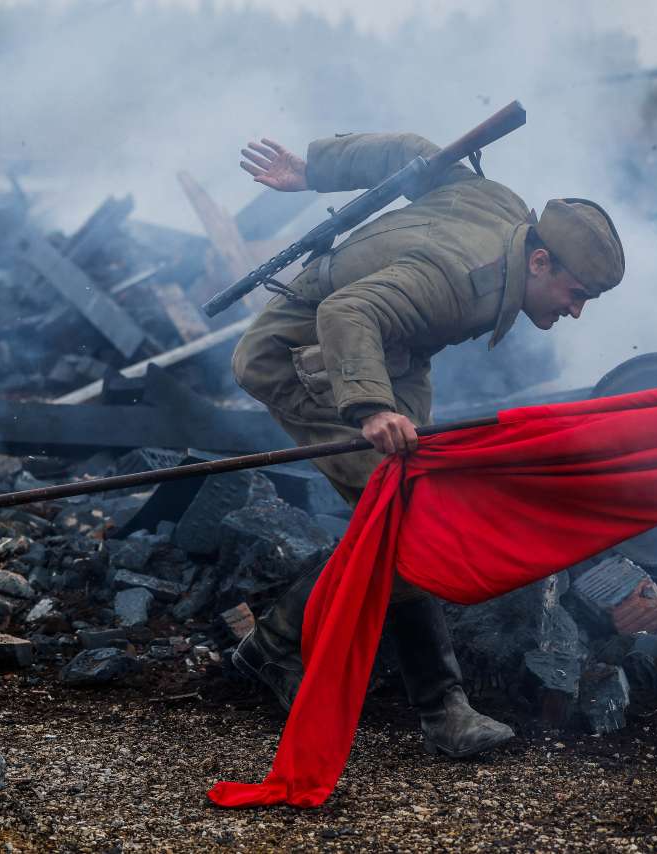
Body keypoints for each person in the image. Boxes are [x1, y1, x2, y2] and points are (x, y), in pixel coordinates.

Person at [229, 127, 625, 759]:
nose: (576, 311)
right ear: (540, 262)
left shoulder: (502, 205)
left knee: (400, 510)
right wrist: (372, 408)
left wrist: (314, 170)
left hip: (392, 349)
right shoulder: (455, 282)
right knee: (406, 516)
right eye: (576, 294)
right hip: (302, 356)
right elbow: (345, 315)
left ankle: (272, 647)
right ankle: (440, 709)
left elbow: (414, 155)